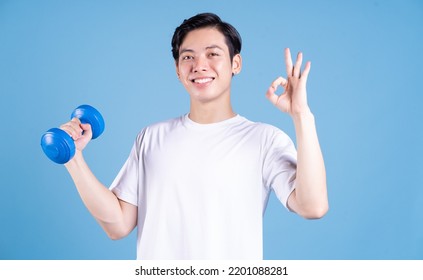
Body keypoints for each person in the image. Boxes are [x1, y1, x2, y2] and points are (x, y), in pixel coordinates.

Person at [60, 12, 328, 260]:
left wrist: (302, 116)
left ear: (236, 63)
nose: (200, 65)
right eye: (188, 57)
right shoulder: (151, 137)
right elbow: (117, 225)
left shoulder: (265, 140)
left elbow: (312, 207)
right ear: (177, 69)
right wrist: (73, 158)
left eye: (213, 54)